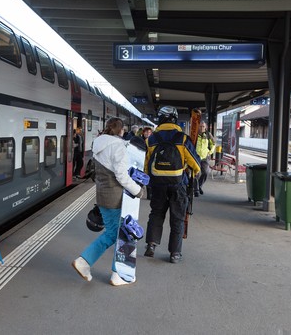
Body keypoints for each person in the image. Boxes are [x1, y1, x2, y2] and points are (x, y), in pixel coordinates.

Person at [72, 117, 144, 286]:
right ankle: (116, 273)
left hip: (102, 195)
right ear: (121, 130)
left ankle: (87, 264)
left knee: (113, 233)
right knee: (122, 234)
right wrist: (138, 190)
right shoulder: (118, 146)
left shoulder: (98, 143)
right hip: (116, 197)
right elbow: (121, 176)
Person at [143, 106, 200, 264]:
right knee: (178, 218)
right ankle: (175, 253)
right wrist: (187, 168)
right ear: (175, 119)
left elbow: (146, 165)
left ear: (160, 119)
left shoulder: (151, 139)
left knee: (156, 214)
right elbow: (196, 165)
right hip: (178, 184)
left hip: (158, 184)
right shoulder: (182, 138)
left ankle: (151, 245)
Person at [194, 121, 216, 196]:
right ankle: (196, 190)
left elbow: (213, 144)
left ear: (205, 127)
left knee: (205, 172)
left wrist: (209, 152)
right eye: (200, 126)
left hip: (204, 157)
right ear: (198, 127)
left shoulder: (208, 135)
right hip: (196, 157)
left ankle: (199, 186)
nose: (202, 128)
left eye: (203, 126)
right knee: (196, 174)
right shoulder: (195, 134)